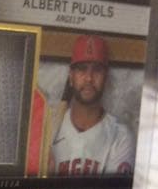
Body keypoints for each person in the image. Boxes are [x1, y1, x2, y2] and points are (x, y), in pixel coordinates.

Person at [48, 35, 134, 176]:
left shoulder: (120, 136)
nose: (89, 78)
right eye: (82, 69)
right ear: (71, 76)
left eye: (97, 70)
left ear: (106, 77)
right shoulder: (47, 128)